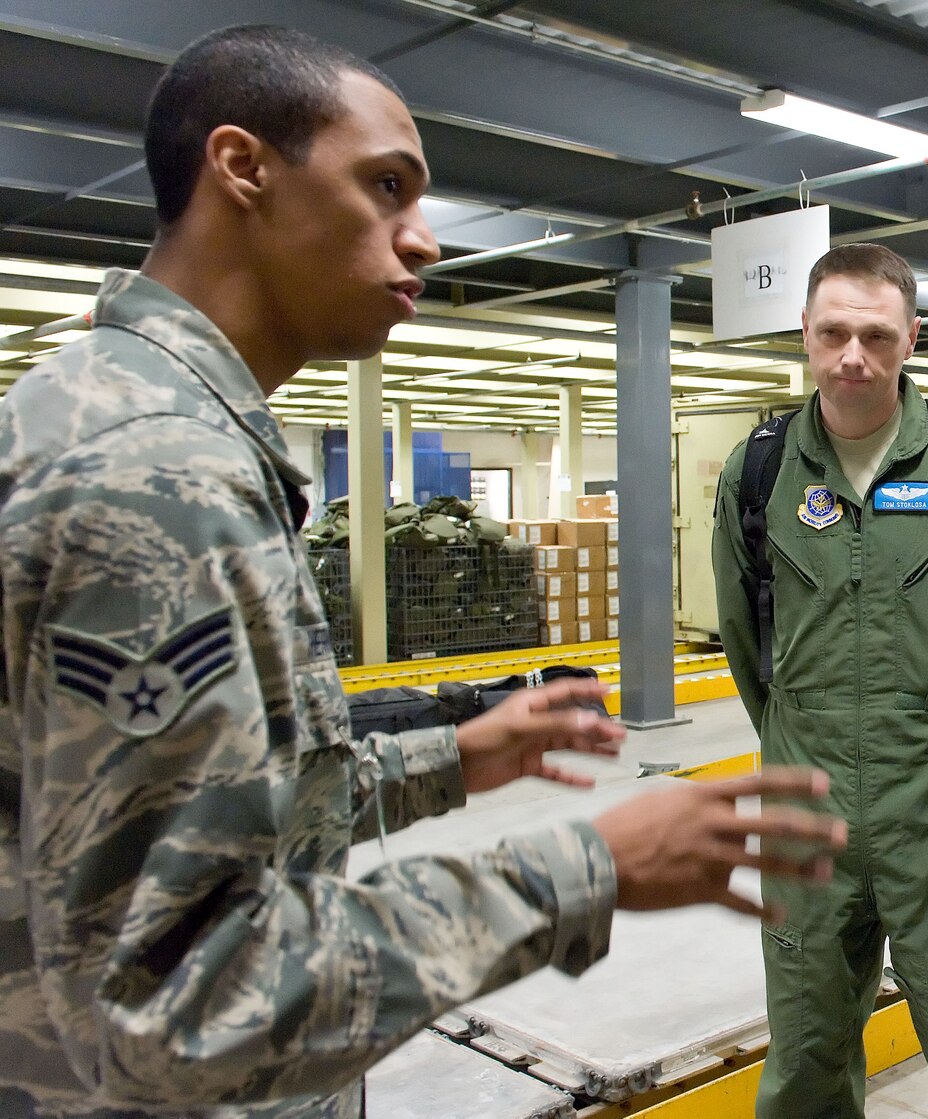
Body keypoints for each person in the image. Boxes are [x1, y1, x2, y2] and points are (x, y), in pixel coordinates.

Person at [0, 26, 845, 1118]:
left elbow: (235, 815)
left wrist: (454, 759)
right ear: (242, 167)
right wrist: (581, 866)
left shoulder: (138, 420)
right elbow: (179, 1004)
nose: (427, 240)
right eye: (385, 187)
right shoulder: (157, 473)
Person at [712, 243, 928, 1119]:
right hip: (805, 795)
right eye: (833, 333)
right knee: (804, 1054)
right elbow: (748, 641)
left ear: (912, 338)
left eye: (875, 334)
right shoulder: (758, 472)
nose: (853, 357)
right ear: (804, 334)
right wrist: (802, 728)